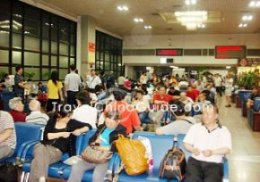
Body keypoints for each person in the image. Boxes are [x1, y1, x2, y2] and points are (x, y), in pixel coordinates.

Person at [29, 106, 91, 182]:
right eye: (67, 117)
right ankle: (41, 178)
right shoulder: (52, 121)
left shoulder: (72, 123)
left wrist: (81, 130)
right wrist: (61, 133)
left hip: (57, 152)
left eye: (70, 116)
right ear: (60, 115)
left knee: (36, 158)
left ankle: (42, 178)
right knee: (39, 148)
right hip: (45, 148)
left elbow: (89, 126)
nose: (69, 118)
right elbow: (47, 136)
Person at [67, 111, 127, 182]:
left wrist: (107, 148)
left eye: (111, 123)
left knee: (97, 175)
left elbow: (121, 147)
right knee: (76, 167)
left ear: (118, 121)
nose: (108, 125)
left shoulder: (121, 130)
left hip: (106, 158)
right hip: (93, 155)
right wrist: (95, 141)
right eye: (107, 122)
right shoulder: (102, 127)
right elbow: (90, 141)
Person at [183, 104, 232, 182]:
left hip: (214, 164)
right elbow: (186, 143)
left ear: (216, 116)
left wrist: (212, 152)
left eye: (208, 114)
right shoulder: (195, 127)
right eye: (204, 113)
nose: (205, 116)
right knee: (191, 179)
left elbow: (227, 149)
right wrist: (192, 149)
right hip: (195, 162)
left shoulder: (223, 130)